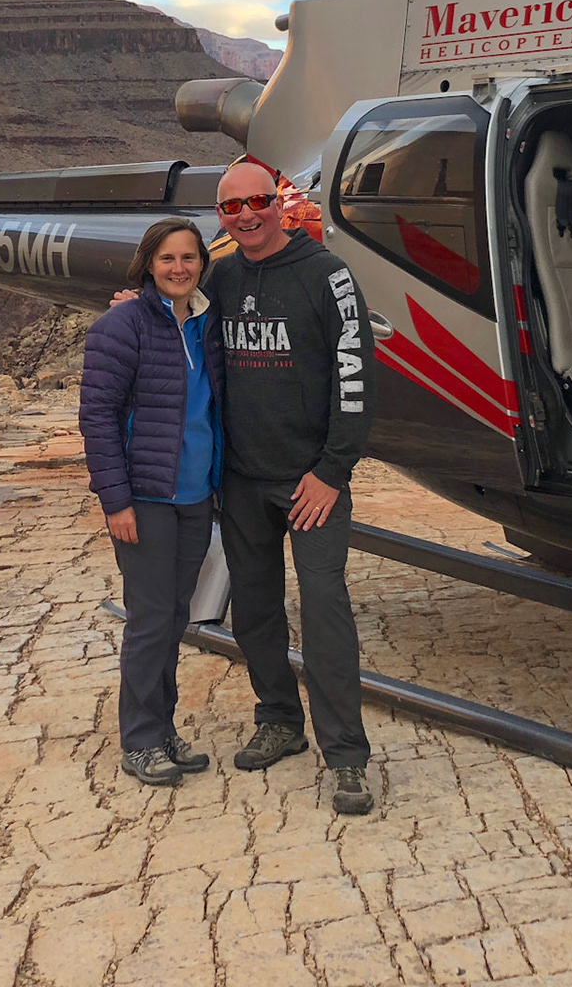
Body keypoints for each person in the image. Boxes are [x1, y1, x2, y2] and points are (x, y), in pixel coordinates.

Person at [209, 161, 377, 815]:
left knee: (325, 609)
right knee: (254, 609)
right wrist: (129, 308)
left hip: (311, 481)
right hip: (242, 479)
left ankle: (347, 757)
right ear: (221, 215)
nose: (247, 215)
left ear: (278, 203)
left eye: (257, 201)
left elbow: (355, 378)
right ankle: (279, 718)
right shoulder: (222, 277)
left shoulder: (327, 276)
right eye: (232, 207)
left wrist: (333, 471)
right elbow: (175, 322)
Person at [79, 216, 225, 787]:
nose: (179, 268)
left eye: (189, 257)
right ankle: (140, 740)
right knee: (148, 620)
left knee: (174, 618)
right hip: (145, 498)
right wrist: (116, 501)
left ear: (202, 264)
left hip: (196, 496)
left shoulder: (207, 322)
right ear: (148, 263)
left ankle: (162, 730)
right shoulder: (121, 325)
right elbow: (97, 418)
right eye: (167, 258)